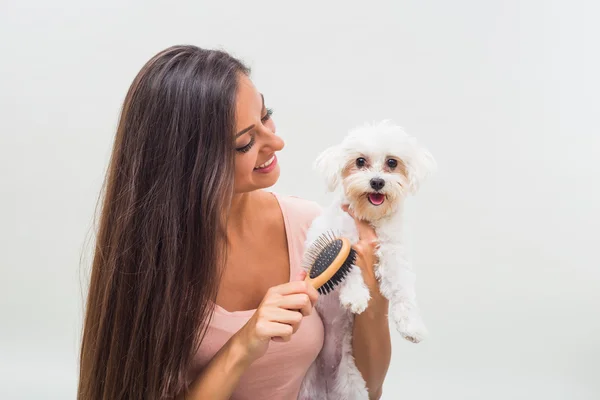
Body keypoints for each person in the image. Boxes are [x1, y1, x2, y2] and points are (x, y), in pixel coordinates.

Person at [78, 45, 391, 400]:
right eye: (245, 142)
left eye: (266, 114)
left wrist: (373, 289)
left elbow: (366, 389)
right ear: (189, 163)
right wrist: (244, 344)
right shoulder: (146, 266)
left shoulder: (310, 228)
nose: (277, 141)